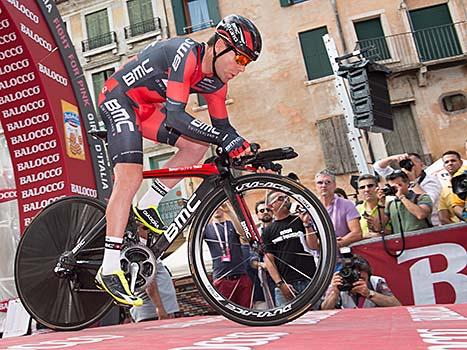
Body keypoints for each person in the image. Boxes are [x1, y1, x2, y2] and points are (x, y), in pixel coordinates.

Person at [95, 15, 262, 305]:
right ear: (220, 45)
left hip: (147, 109)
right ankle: (108, 268)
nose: (240, 68)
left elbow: (223, 129)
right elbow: (176, 116)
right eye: (240, 59)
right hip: (119, 98)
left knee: (196, 148)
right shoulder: (186, 53)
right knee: (130, 176)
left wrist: (245, 148)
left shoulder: (217, 85)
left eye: (247, 63)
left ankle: (148, 203)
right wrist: (224, 139)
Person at [262, 191, 318, 306]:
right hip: (287, 284)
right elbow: (269, 259)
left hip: (309, 279)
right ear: (271, 205)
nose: (286, 200)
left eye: (287, 197)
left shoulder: (299, 220)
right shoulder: (268, 230)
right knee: (287, 322)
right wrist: (280, 284)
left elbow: (313, 246)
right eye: (281, 198)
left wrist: (307, 224)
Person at [203, 204, 253, 307]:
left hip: (241, 276)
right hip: (222, 278)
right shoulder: (207, 228)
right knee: (227, 313)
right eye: (214, 207)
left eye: (219, 206)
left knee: (247, 311)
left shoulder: (231, 224)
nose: (217, 209)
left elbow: (244, 233)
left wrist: (229, 211)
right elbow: (191, 240)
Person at [372, 153, 441, 226]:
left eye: (412, 164)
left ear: (421, 164)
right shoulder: (400, 178)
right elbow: (377, 167)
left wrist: (412, 181)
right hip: (407, 224)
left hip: (432, 224)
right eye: (406, 164)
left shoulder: (431, 180)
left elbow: (428, 200)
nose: (409, 167)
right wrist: (393, 158)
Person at [130, 225, 179, 322]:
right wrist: (159, 308)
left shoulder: (147, 246)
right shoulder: (140, 250)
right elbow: (149, 282)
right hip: (153, 314)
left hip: (161, 311)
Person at [320, 255, 401, 309]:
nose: (357, 281)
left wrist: (369, 293)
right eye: (354, 278)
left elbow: (397, 304)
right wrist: (335, 293)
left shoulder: (376, 282)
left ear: (369, 277)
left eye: (362, 278)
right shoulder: (339, 284)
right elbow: (324, 310)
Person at [315, 170, 362, 248]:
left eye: (327, 182)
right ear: (315, 186)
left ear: (334, 185)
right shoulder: (312, 208)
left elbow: (357, 233)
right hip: (322, 256)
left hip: (346, 254)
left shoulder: (347, 204)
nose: (323, 185)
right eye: (320, 183)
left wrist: (337, 243)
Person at [438, 151, 464, 224]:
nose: (450, 163)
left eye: (453, 160)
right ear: (444, 166)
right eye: (446, 162)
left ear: (461, 162)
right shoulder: (445, 190)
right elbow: (443, 218)